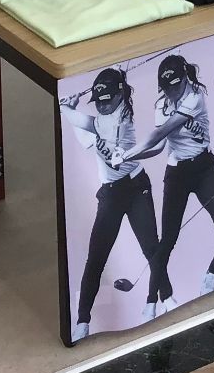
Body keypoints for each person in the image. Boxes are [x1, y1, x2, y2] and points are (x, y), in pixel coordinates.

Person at [118, 55, 214, 298]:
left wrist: (128, 153)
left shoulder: (195, 97)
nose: (171, 92)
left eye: (175, 86)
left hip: (204, 168)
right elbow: (158, 146)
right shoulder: (161, 105)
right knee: (169, 238)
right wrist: (131, 158)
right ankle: (153, 300)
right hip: (177, 174)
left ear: (184, 79)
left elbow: (160, 132)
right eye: (166, 88)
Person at [59, 69, 165, 339]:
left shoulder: (120, 118)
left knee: (152, 248)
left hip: (136, 187)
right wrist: (70, 109)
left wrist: (65, 108)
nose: (104, 106)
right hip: (111, 194)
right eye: (99, 101)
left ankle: (161, 302)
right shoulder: (101, 118)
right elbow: (84, 132)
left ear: (120, 96)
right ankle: (82, 322)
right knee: (96, 258)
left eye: (108, 100)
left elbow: (82, 121)